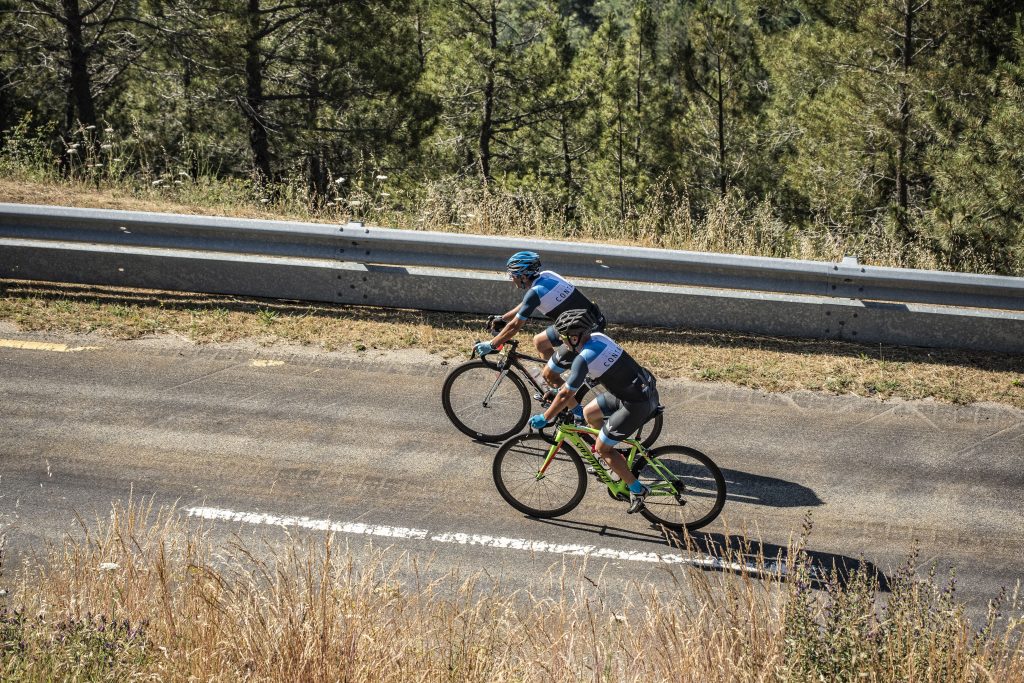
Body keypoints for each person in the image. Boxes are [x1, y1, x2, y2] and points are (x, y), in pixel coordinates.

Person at [527, 308, 659, 514]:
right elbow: (570, 387)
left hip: (636, 403)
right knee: (589, 413)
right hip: (638, 391)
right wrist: (559, 392)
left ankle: (638, 489)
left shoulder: (583, 357)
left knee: (604, 447)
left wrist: (546, 417)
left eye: (563, 338)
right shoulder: (598, 337)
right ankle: (612, 459)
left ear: (573, 337)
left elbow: (565, 395)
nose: (562, 342)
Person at [473, 251, 605, 362]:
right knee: (539, 342)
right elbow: (527, 304)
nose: (511, 279)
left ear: (523, 276)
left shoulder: (535, 293)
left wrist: (492, 344)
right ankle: (554, 387)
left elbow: (514, 327)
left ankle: (562, 389)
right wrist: (503, 318)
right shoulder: (548, 275)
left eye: (512, 275)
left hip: (584, 331)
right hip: (590, 319)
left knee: (550, 375)